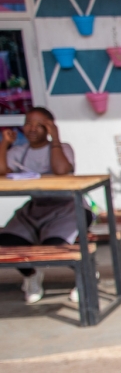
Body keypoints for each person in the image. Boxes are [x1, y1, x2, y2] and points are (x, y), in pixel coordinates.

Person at [0, 107, 80, 304]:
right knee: (8, 243)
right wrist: (5, 144)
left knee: (54, 248)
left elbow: (61, 170)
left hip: (66, 209)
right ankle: (31, 276)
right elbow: (2, 171)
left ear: (50, 127)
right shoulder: (19, 151)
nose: (32, 128)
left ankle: (84, 274)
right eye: (28, 123)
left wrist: (56, 138)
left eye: (39, 124)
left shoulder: (63, 148)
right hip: (35, 209)